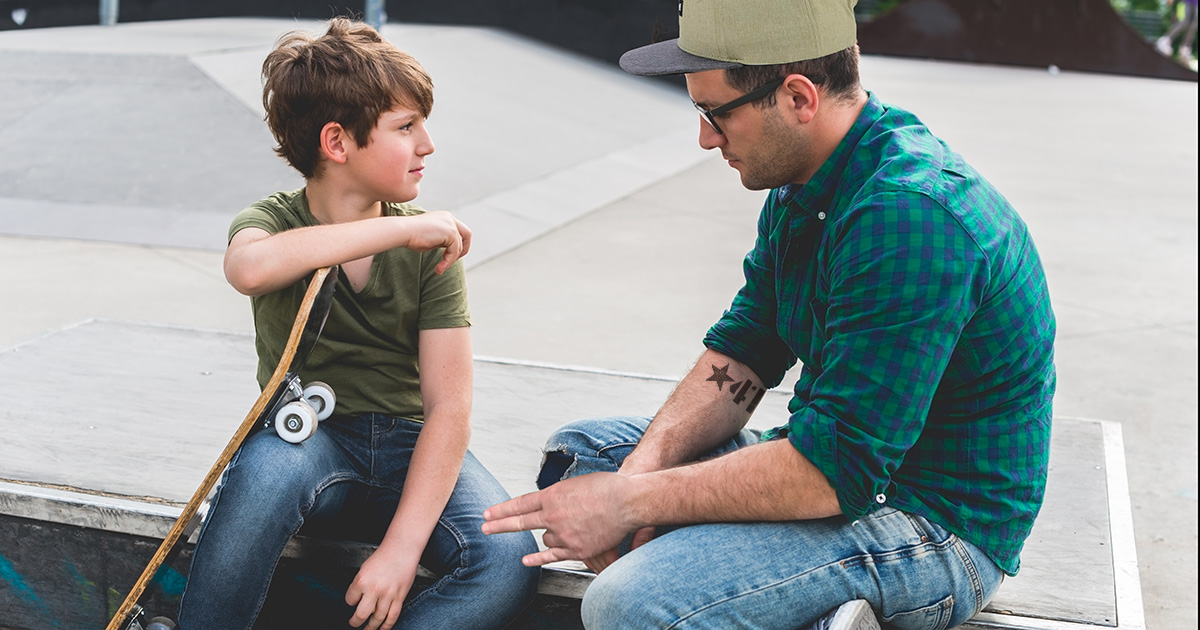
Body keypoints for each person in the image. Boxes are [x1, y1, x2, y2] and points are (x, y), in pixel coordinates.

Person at [482, 1, 1056, 629]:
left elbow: (836, 472)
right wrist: (633, 485)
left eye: (716, 113)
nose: (705, 138)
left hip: (935, 521)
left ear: (798, 98)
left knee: (633, 602)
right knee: (584, 457)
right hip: (836, 463)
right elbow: (746, 351)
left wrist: (626, 502)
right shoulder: (806, 180)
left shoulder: (911, 218)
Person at [178, 17, 540, 630]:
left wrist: (401, 551)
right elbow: (249, 268)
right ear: (338, 143)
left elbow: (450, 409)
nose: (428, 144)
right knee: (259, 479)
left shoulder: (432, 249)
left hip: (410, 446)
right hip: (311, 443)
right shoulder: (276, 220)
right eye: (406, 127)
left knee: (512, 554)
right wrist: (401, 228)